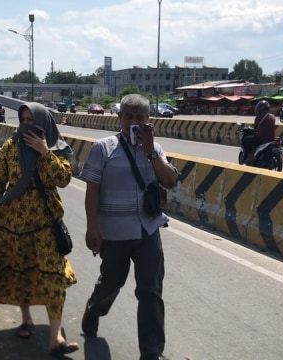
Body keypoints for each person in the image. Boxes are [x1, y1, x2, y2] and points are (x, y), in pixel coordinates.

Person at [79, 94, 177, 360]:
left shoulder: (155, 149)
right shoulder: (103, 148)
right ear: (119, 118)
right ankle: (93, 310)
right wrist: (92, 229)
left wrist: (152, 152)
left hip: (148, 231)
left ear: (149, 121)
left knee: (150, 291)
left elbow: (169, 181)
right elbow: (92, 191)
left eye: (140, 118)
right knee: (111, 282)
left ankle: (151, 352)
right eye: (129, 116)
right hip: (114, 233)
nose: (134, 122)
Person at [0, 102, 78, 358]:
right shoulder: (11, 147)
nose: (26, 125)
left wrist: (45, 152)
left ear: (44, 122)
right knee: (20, 271)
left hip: (46, 222)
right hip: (13, 223)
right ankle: (26, 318)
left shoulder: (57, 147)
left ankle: (55, 335)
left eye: (32, 120)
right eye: (23, 120)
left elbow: (64, 179)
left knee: (53, 274)